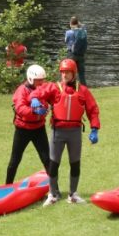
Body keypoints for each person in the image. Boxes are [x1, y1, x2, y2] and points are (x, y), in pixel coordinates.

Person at [31, 59, 100, 206]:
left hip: (74, 132)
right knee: (53, 163)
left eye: (67, 72)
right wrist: (35, 99)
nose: (64, 75)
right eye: (62, 72)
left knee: (75, 163)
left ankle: (73, 194)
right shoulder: (54, 88)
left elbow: (93, 110)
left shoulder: (82, 91)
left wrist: (95, 128)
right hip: (58, 131)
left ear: (74, 73)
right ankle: (53, 194)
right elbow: (36, 92)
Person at [6, 64, 51, 184]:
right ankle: (7, 185)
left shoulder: (42, 88)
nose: (41, 83)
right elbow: (20, 109)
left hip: (39, 128)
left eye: (42, 80)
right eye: (38, 80)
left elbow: (46, 104)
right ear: (31, 79)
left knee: (46, 159)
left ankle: (54, 188)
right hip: (23, 129)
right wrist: (35, 111)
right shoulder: (21, 90)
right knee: (15, 160)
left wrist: (44, 111)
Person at [65, 16, 88, 86]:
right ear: (78, 23)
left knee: (70, 72)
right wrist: (80, 25)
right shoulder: (84, 32)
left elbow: (66, 41)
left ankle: (71, 87)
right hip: (81, 55)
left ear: (70, 23)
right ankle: (84, 89)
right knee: (81, 73)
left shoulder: (68, 32)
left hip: (71, 55)